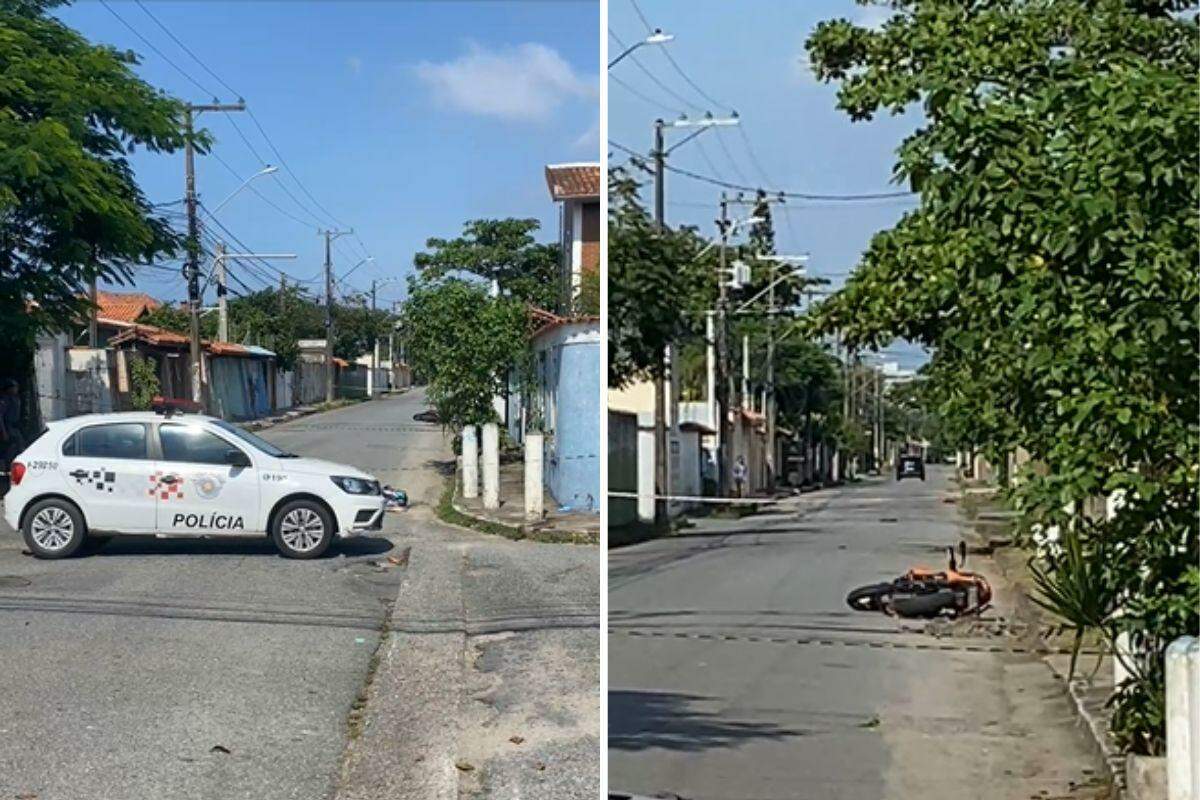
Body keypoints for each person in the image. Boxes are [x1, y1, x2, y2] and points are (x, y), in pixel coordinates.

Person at [0, 379, 23, 469]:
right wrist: (4, 432)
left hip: (15, 427)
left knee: (19, 448)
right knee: (10, 450)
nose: (16, 389)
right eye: (14, 387)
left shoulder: (16, 399)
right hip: (8, 427)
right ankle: (8, 470)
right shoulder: (4, 400)